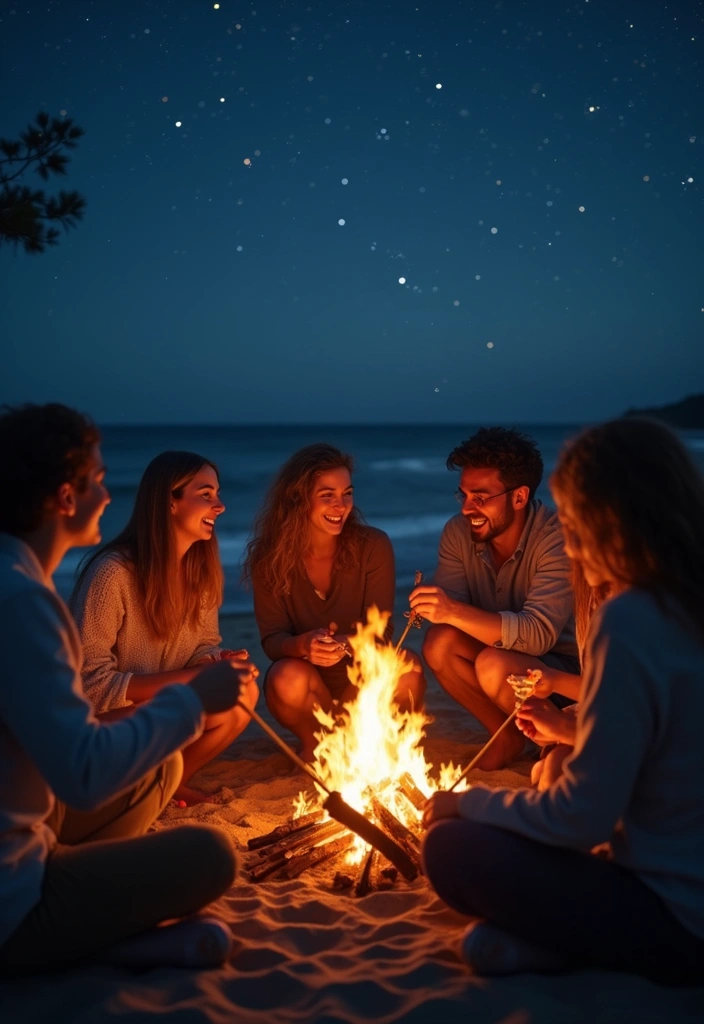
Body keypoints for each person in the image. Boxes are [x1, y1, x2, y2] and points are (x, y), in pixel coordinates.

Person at [422, 417, 704, 984]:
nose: (570, 545)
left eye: (574, 524)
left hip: (677, 921)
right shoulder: (686, 602)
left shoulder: (628, 620)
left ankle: (582, 948)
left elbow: (580, 816)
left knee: (450, 848)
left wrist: (465, 806)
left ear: (610, 522)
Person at [0, 403, 260, 975]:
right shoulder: (27, 601)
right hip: (15, 893)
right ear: (65, 497)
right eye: (96, 480)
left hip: (36, 834)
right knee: (210, 855)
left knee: (163, 770)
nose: (109, 493)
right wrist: (191, 697)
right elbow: (83, 773)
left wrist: (212, 665)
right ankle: (80, 945)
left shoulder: (18, 581)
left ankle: (106, 927)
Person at [71, 451, 259, 805]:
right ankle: (141, 788)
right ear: (169, 502)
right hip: (100, 725)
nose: (219, 506)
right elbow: (88, 687)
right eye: (205, 495)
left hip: (159, 710)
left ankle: (168, 785)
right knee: (221, 696)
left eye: (217, 494)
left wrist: (215, 661)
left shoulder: (199, 572)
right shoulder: (113, 573)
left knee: (243, 694)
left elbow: (202, 644)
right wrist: (194, 680)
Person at [243, 443, 425, 762]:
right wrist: (303, 646)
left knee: (406, 663)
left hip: (366, 679)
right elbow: (273, 641)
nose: (340, 506)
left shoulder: (373, 546)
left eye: (347, 493)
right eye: (327, 495)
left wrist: (343, 645)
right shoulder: (269, 558)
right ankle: (316, 742)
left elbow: (382, 635)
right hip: (309, 688)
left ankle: (359, 740)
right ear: (298, 499)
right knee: (285, 676)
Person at [410, 427, 579, 769]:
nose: (467, 509)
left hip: (568, 677)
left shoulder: (557, 538)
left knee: (493, 664)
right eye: (464, 496)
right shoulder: (459, 534)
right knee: (440, 641)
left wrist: (452, 609)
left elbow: (537, 635)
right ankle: (506, 736)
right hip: (504, 658)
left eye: (481, 497)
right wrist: (440, 609)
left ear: (519, 497)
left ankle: (558, 737)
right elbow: (452, 619)